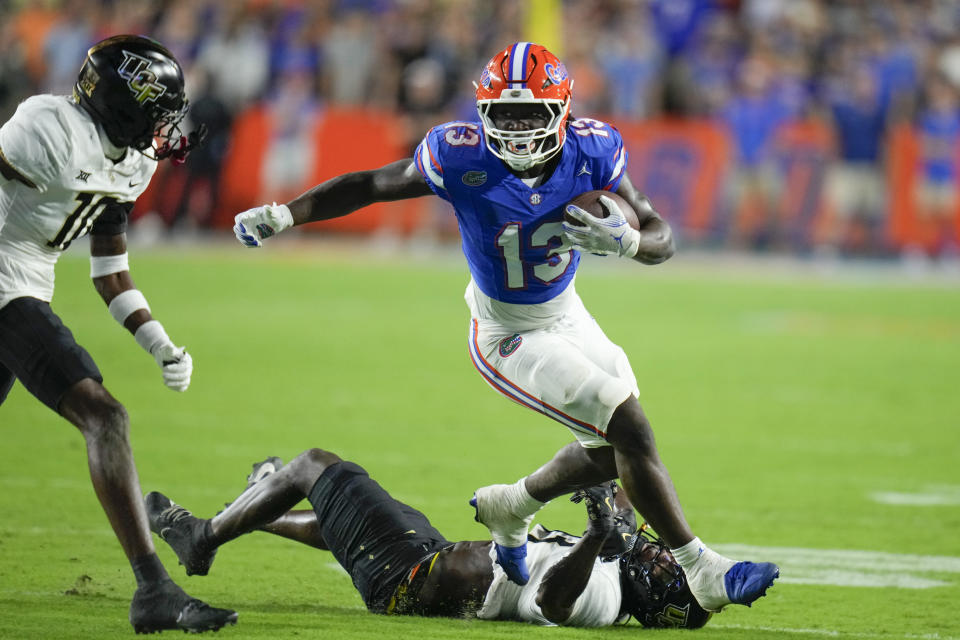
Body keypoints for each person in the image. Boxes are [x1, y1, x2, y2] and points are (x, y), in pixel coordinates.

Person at [232, 42, 778, 612]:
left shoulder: (593, 151)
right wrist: (286, 213)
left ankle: (511, 505)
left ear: (561, 110)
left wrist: (631, 241)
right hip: (506, 332)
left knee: (612, 450)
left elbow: (662, 236)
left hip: (567, 313)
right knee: (629, 426)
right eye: (505, 115)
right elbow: (371, 184)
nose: (517, 131)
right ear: (483, 113)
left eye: (530, 114)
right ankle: (699, 565)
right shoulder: (459, 156)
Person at [0, 35, 235, 633]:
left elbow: (108, 267)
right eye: (157, 110)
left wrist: (156, 340)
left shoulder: (134, 159)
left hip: (28, 281)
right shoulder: (47, 127)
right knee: (105, 416)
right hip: (5, 281)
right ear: (122, 103)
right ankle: (153, 590)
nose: (166, 127)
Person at [145, 451, 713, 629]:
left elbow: (552, 603)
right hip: (430, 557)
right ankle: (258, 512)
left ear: (657, 605)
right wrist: (614, 479)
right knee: (347, 521)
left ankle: (201, 537)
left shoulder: (608, 597)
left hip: (406, 580)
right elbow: (627, 476)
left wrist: (594, 538)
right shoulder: (615, 562)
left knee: (316, 466)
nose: (663, 556)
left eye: (670, 573)